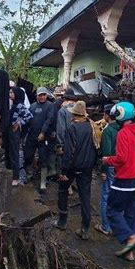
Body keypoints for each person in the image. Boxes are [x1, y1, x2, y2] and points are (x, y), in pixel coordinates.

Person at [103, 101, 135, 261]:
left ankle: (129, 238)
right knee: (131, 215)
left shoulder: (123, 133)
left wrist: (107, 160)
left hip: (124, 180)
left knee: (112, 211)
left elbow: (121, 158)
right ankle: (129, 251)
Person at [54, 100, 97, 240]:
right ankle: (85, 228)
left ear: (74, 115)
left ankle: (62, 221)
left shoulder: (73, 128)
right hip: (87, 167)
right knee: (85, 196)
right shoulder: (91, 126)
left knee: (62, 190)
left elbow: (69, 152)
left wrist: (64, 172)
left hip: (73, 167)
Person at [95, 104, 120, 236]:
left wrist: (103, 170)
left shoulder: (108, 131)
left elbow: (106, 154)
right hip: (121, 167)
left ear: (106, 115)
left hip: (110, 166)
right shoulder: (121, 129)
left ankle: (106, 226)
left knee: (106, 196)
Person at [24, 87, 54, 193]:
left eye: (44, 95)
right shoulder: (32, 106)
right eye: (40, 95)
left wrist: (43, 132)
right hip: (32, 136)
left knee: (43, 159)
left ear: (46, 95)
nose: (42, 97)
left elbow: (49, 120)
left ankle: (42, 183)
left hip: (44, 137)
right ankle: (29, 175)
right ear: (36, 96)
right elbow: (27, 120)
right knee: (27, 156)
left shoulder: (50, 106)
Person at [7, 87, 33, 186]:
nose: (10, 94)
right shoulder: (13, 104)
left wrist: (19, 123)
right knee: (11, 152)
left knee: (15, 154)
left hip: (15, 132)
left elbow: (29, 116)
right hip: (10, 131)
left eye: (11, 92)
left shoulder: (20, 105)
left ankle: (16, 177)